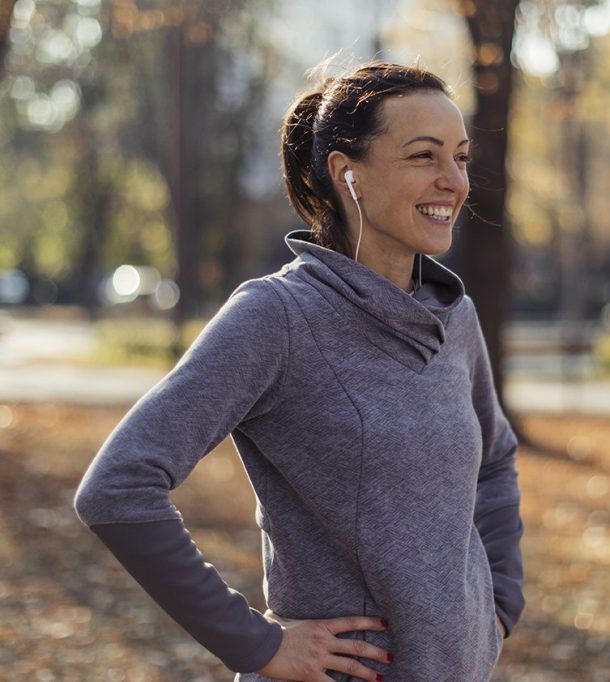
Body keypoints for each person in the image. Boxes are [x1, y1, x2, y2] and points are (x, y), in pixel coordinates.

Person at [74, 62, 525, 682]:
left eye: (462, 157)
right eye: (424, 156)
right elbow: (117, 487)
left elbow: (495, 461)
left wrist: (498, 602)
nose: (452, 181)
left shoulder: (454, 317)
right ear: (349, 174)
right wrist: (256, 644)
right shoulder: (278, 316)